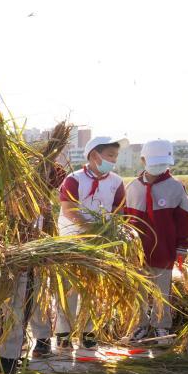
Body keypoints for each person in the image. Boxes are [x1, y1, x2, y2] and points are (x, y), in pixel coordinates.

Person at [54, 135, 127, 350]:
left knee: (94, 288)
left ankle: (89, 330)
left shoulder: (116, 181)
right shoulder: (74, 179)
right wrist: (91, 230)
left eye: (115, 156)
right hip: (72, 241)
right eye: (110, 155)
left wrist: (110, 231)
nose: (113, 160)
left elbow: (118, 210)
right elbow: (69, 210)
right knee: (68, 288)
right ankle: (64, 333)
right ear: (95, 155)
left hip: (100, 243)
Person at [124, 140, 188, 342]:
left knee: (162, 291)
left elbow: (187, 220)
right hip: (137, 252)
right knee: (137, 290)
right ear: (143, 160)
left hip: (164, 249)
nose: (158, 167)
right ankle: (140, 325)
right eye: (154, 162)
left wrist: (183, 246)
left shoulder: (175, 187)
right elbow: (124, 219)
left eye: (162, 162)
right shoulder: (133, 187)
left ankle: (161, 325)